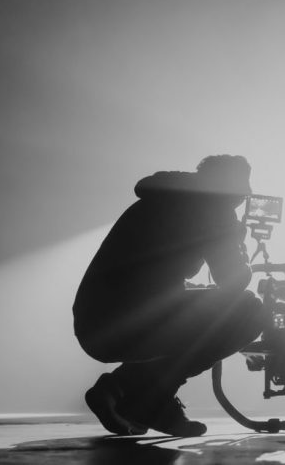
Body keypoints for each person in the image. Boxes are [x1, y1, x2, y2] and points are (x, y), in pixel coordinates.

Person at [74, 154, 267, 437]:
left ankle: (122, 393)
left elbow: (154, 284)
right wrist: (238, 241)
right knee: (249, 311)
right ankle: (145, 398)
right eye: (242, 186)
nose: (246, 195)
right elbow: (234, 280)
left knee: (213, 306)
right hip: (130, 319)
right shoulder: (213, 209)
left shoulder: (162, 199)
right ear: (227, 186)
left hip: (95, 323)